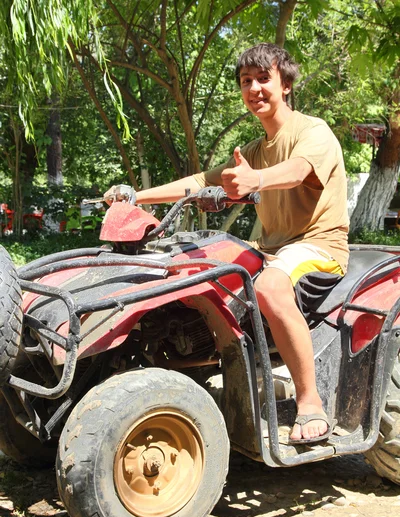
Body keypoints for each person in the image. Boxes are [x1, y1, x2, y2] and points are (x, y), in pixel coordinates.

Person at [104, 42, 349, 443]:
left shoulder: (312, 131)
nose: (253, 88)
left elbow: (299, 169)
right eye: (245, 81)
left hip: (317, 246)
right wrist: (135, 196)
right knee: (195, 276)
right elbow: (200, 181)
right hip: (271, 249)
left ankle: (310, 404)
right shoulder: (253, 150)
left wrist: (257, 180)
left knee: (269, 284)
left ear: (285, 84)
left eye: (262, 79)